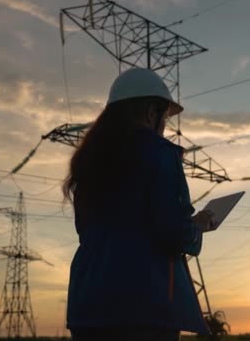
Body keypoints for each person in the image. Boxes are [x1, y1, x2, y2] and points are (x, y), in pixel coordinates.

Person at [63, 67, 213, 341]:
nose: (165, 124)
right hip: (144, 305)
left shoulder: (89, 161)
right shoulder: (160, 154)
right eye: (166, 115)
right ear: (150, 112)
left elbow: (90, 231)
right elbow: (174, 233)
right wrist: (198, 227)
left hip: (88, 304)